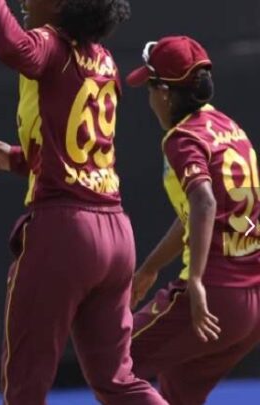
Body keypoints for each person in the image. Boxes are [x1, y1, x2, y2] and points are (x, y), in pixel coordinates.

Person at [0, 1, 167, 404]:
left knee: (25, 385)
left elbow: (13, 48)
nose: (24, 2)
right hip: (115, 232)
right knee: (118, 381)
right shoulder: (103, 60)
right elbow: (79, 149)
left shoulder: (51, 44)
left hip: (64, 230)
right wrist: (18, 158)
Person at [125, 36, 260, 405]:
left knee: (111, 361)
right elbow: (199, 215)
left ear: (165, 93)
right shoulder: (227, 126)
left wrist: (197, 281)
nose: (150, 99)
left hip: (212, 296)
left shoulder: (182, 138)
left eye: (150, 88)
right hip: (252, 302)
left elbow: (204, 202)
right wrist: (150, 268)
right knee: (180, 390)